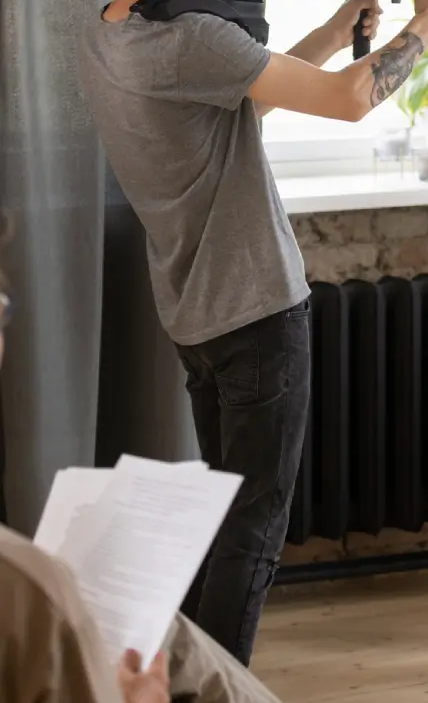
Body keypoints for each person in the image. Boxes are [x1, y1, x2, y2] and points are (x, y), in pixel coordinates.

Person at [81, 0, 428, 665]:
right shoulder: (193, 41)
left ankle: (176, 678)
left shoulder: (114, 31)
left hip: (195, 314)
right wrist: (426, 30)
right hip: (256, 313)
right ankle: (218, 689)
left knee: (220, 519)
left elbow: (252, 88)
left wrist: (336, 31)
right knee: (253, 533)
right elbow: (351, 102)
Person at [0, 271, 284, 702]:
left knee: (167, 634)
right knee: (252, 528)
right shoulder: (28, 591)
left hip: (209, 320)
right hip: (250, 311)